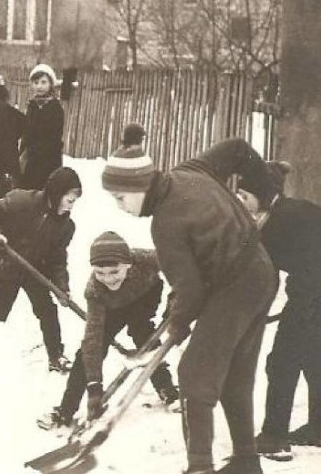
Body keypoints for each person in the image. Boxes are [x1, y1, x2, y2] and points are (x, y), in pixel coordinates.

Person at [101, 132, 277, 474]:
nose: (120, 207)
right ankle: (246, 460)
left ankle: (200, 467)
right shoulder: (191, 169)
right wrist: (265, 191)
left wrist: (178, 323)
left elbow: (191, 291)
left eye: (121, 198)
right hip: (261, 272)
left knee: (194, 377)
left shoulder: (165, 223)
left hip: (234, 289)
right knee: (235, 373)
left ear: (139, 186)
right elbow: (238, 148)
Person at [209, 140, 321, 461]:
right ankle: (318, 426)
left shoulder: (282, 220)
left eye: (244, 196)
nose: (239, 202)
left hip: (313, 295)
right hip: (311, 292)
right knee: (314, 357)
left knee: (282, 360)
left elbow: (263, 274)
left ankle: (273, 436)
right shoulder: (282, 214)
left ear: (262, 195)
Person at [38, 232, 178, 429]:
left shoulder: (146, 258)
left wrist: (176, 300)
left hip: (145, 295)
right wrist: (94, 385)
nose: (108, 279)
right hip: (113, 307)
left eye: (114, 271)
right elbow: (92, 340)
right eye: (100, 273)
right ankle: (65, 411)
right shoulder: (95, 291)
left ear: (128, 263)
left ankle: (168, 390)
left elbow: (181, 268)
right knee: (89, 350)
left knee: (142, 332)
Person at [0, 166, 82, 373]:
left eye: (74, 202)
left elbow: (58, 259)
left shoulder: (66, 226)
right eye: (69, 200)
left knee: (48, 312)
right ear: (56, 193)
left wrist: (62, 286)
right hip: (6, 265)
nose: (71, 207)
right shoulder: (23, 201)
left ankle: (56, 356)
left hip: (35, 271)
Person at [21, 64, 64, 190]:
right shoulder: (32, 106)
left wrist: (37, 151)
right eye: (36, 82)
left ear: (51, 84)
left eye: (43, 82)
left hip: (48, 160)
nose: (39, 86)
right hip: (30, 160)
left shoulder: (55, 108)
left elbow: (54, 137)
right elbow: (27, 133)